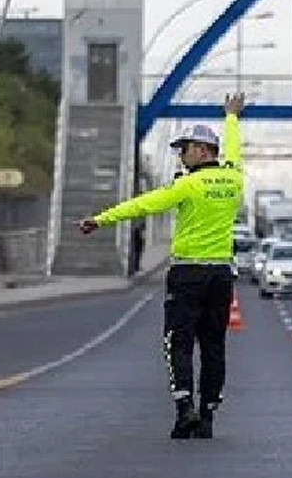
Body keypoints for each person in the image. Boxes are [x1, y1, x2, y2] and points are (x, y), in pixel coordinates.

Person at [78, 93, 246, 440]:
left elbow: (143, 205)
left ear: (201, 150)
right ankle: (209, 414)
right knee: (214, 345)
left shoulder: (187, 184)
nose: (181, 156)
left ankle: (185, 408)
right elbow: (235, 149)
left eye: (184, 149)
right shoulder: (234, 179)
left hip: (187, 275)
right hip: (220, 276)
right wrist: (231, 116)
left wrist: (101, 219)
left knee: (178, 342)